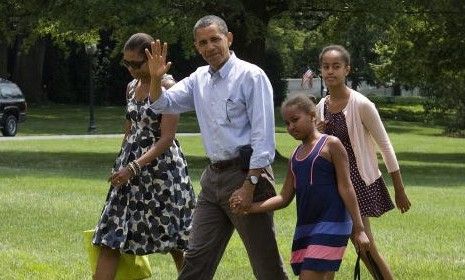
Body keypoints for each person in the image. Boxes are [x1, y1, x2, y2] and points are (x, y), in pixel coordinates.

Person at [145, 15, 288, 280]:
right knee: (195, 259)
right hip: (213, 180)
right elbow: (162, 104)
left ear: (229, 38)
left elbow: (263, 138)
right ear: (196, 47)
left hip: (246, 175)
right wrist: (155, 78)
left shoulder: (250, 76)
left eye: (215, 39)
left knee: (265, 263)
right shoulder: (199, 78)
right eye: (202, 43)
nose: (209, 47)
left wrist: (250, 185)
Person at [230, 94, 370, 280]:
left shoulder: (331, 145)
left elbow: (347, 187)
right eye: (287, 123)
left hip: (332, 223)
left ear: (312, 115)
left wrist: (359, 230)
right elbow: (283, 198)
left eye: (295, 120)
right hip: (306, 226)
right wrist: (250, 208)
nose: (291, 127)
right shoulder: (294, 156)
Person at [92, 33, 196, 280]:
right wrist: (121, 163)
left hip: (163, 175)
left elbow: (166, 138)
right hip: (129, 176)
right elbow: (129, 129)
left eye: (136, 64)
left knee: (178, 241)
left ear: (152, 59)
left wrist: (133, 167)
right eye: (126, 63)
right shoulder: (131, 87)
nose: (130, 69)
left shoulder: (169, 87)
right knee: (110, 236)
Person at [315, 45, 411, 280]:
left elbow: (385, 146)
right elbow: (319, 148)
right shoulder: (321, 107)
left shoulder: (362, 104)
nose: (330, 71)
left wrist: (399, 189)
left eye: (336, 66)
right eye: (326, 67)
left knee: (365, 247)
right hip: (331, 185)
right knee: (330, 246)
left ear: (347, 70)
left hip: (357, 183)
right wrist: (317, 134)